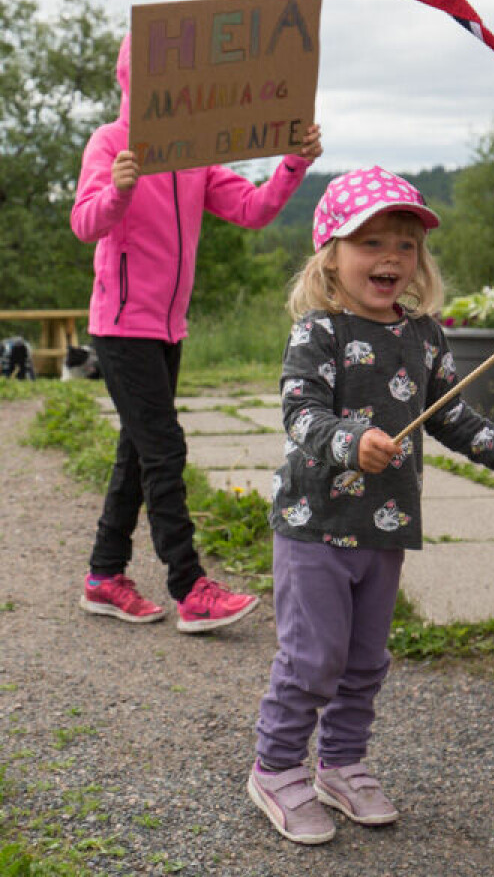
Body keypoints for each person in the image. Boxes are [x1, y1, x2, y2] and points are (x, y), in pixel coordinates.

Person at [246, 167, 494, 844]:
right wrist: (349, 441)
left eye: (406, 244)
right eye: (372, 242)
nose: (391, 258)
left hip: (384, 528)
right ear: (331, 251)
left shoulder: (424, 336)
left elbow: (449, 414)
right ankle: (276, 768)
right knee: (313, 657)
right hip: (315, 524)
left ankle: (342, 763)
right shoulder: (317, 332)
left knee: (365, 658)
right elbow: (299, 415)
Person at [71, 34, 322, 633]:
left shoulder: (194, 156)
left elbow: (255, 210)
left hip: (167, 326)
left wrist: (294, 162)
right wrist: (119, 190)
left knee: (137, 453)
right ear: (132, 83)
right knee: (164, 449)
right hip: (120, 326)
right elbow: (84, 223)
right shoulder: (110, 144)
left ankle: (105, 576)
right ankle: (189, 586)